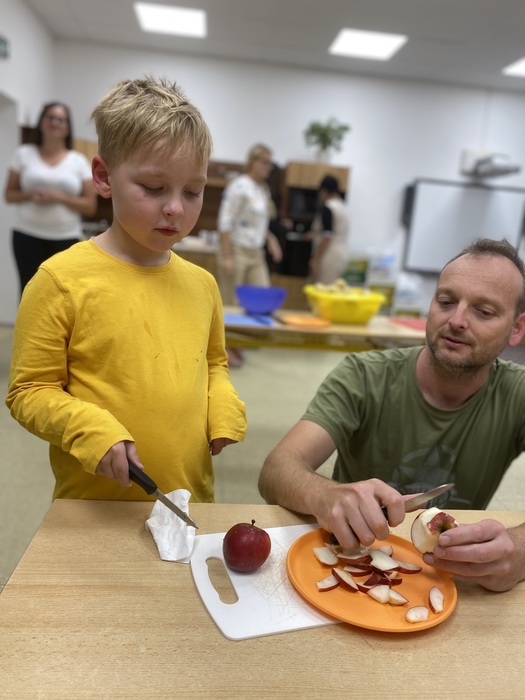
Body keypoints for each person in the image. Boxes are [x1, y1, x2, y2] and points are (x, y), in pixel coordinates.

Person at [6, 77, 247, 504]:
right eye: (153, 188)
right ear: (103, 177)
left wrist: (222, 399)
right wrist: (87, 428)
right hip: (95, 507)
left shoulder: (203, 285)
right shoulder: (59, 280)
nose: (175, 207)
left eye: (193, 191)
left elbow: (213, 363)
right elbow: (29, 391)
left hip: (188, 500)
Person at [259, 238, 525, 592]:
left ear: (517, 329)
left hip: (446, 581)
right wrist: (324, 495)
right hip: (348, 564)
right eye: (446, 301)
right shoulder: (364, 376)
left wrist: (520, 548)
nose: (456, 320)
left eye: (484, 312)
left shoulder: (517, 394)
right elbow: (276, 469)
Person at [4, 101, 97, 295]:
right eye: (51, 117)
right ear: (41, 122)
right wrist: (30, 194)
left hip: (65, 237)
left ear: (67, 127)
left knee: (61, 295)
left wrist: (59, 197)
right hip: (26, 235)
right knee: (28, 292)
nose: (55, 122)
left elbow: (90, 206)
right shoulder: (23, 154)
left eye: (61, 120)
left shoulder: (79, 161)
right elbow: (9, 195)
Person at [217, 143, 283, 367]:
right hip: (236, 248)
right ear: (252, 161)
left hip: (255, 252)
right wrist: (226, 255)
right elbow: (225, 221)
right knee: (230, 302)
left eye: (270, 163)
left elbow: (259, 224)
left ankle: (240, 342)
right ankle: (224, 349)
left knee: (261, 296)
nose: (268, 167)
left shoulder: (262, 189)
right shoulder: (239, 186)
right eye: (264, 162)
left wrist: (271, 240)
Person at [308, 174, 350, 284]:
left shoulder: (328, 208)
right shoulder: (343, 207)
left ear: (324, 190)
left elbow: (327, 236)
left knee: (323, 290)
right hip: (341, 255)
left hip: (328, 256)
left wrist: (314, 261)